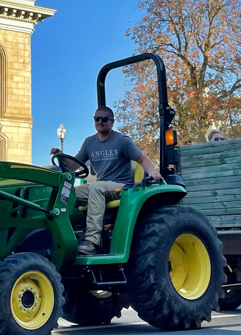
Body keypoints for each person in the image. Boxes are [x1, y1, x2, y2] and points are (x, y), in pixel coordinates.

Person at [50, 107, 162, 255]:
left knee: (97, 188)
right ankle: (63, 238)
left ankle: (92, 241)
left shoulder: (122, 141)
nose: (100, 122)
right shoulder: (89, 142)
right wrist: (62, 155)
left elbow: (141, 158)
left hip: (122, 186)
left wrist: (152, 171)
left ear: (112, 122)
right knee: (66, 193)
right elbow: (74, 166)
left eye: (104, 119)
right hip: (101, 185)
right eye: (97, 119)